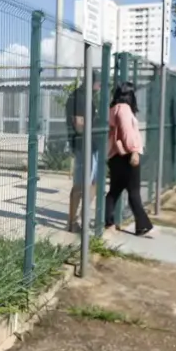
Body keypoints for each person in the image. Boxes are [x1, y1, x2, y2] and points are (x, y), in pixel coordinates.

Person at [104, 81, 153, 235]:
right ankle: (143, 224)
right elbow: (127, 133)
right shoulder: (124, 109)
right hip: (126, 155)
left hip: (115, 155)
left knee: (115, 191)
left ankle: (109, 221)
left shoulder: (113, 109)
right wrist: (134, 151)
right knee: (133, 191)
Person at [65, 71, 100, 233]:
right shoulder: (79, 97)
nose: (100, 86)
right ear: (91, 82)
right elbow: (79, 125)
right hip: (82, 146)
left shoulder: (88, 97)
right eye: (98, 82)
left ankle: (81, 217)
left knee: (93, 183)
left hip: (92, 146)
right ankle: (72, 223)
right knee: (80, 185)